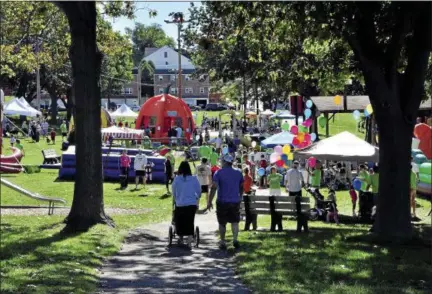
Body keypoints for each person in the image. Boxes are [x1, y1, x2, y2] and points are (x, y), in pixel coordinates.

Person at [207, 154, 244, 250]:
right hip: (235, 201)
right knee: (235, 222)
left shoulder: (218, 173)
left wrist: (209, 201)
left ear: (224, 162)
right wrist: (240, 196)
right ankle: (235, 240)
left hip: (222, 201)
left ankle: (223, 242)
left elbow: (214, 187)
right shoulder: (238, 172)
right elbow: (241, 186)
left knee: (222, 223)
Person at [172, 161, 202, 249]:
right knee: (190, 220)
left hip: (180, 203)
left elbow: (174, 192)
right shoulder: (194, 179)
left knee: (180, 220)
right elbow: (199, 192)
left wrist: (177, 197)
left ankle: (180, 237)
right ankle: (189, 240)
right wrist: (196, 196)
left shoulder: (177, 179)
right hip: (191, 204)